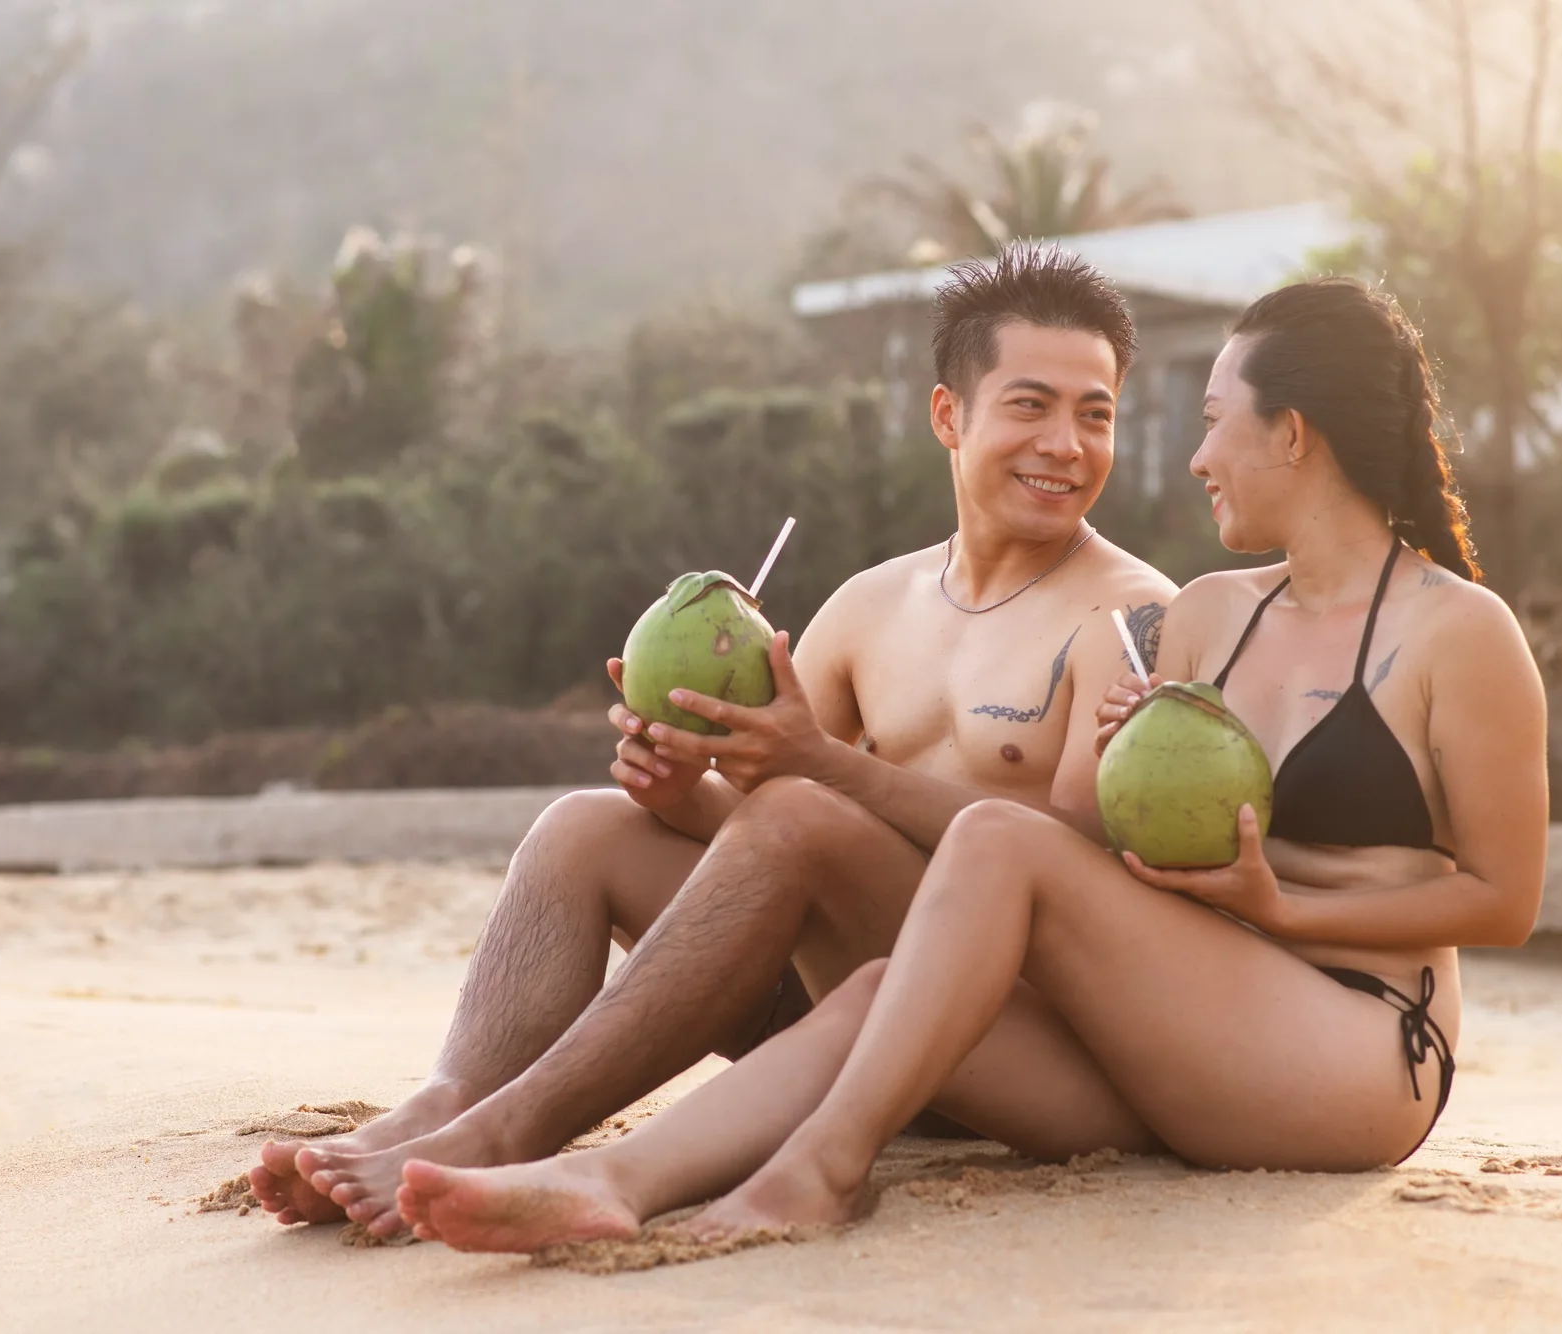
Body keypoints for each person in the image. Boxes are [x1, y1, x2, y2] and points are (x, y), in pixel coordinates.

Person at [382, 277, 1550, 1253]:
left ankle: (819, 1171)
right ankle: (614, 1180)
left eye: (1208, 420)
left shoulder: (1458, 632)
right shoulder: (1203, 618)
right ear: (952, 414)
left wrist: (1272, 900)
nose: (1192, 454)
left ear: (1289, 433)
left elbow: (1503, 901)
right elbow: (1110, 861)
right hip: (1178, 1018)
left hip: (1358, 1038)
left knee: (990, 844)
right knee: (876, 989)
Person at [248, 244, 1177, 1235]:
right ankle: (444, 1101)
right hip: (830, 1004)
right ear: (948, 414)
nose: (1066, 443)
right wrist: (677, 785)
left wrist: (816, 764)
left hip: (1002, 1035)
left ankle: (505, 1130)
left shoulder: (1131, 616)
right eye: (1029, 405)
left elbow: (1083, 856)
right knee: (583, 828)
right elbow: (759, 828)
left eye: (1095, 413)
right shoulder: (872, 604)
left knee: (803, 805)